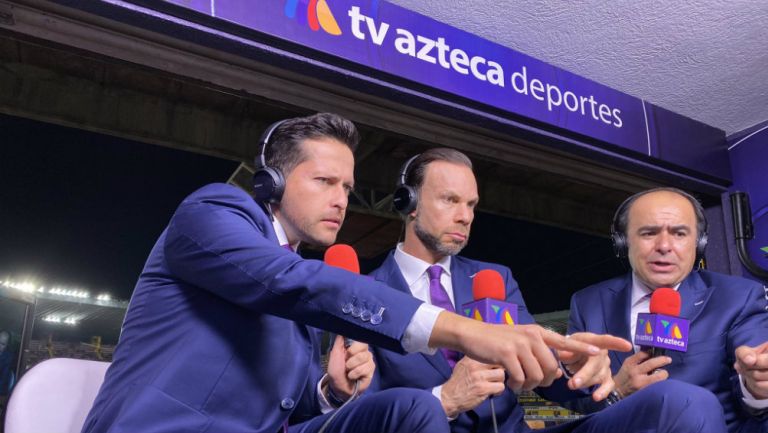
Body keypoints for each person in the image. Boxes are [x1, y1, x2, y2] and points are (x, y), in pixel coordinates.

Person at [81, 113, 614, 433]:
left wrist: (331, 392)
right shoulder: (215, 211)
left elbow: (291, 402)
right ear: (271, 183)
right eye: (324, 181)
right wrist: (468, 330)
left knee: (406, 410)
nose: (342, 200)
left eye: (347, 187)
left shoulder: (303, 293)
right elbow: (292, 283)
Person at [369, 149, 729, 433]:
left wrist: (576, 370)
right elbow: (361, 414)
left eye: (471, 205)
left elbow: (546, 379)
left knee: (683, 400)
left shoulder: (496, 278)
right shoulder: (367, 293)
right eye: (450, 200)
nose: (465, 216)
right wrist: (442, 401)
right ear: (408, 204)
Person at [564, 187, 768, 433]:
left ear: (699, 243)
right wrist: (617, 391)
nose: (664, 246)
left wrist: (757, 386)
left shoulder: (739, 296)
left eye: (679, 233)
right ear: (623, 242)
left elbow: (755, 363)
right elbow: (577, 400)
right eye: (649, 233)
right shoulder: (588, 302)